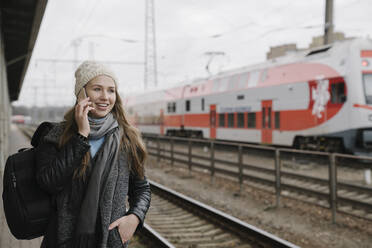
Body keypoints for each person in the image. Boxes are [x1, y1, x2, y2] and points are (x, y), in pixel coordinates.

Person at [35, 60, 151, 248]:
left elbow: (141, 188)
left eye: (111, 90)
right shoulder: (55, 135)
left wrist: (134, 217)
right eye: (97, 89)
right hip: (63, 240)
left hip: (109, 241)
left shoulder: (127, 139)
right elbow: (49, 183)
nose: (105, 97)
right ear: (82, 93)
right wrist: (81, 136)